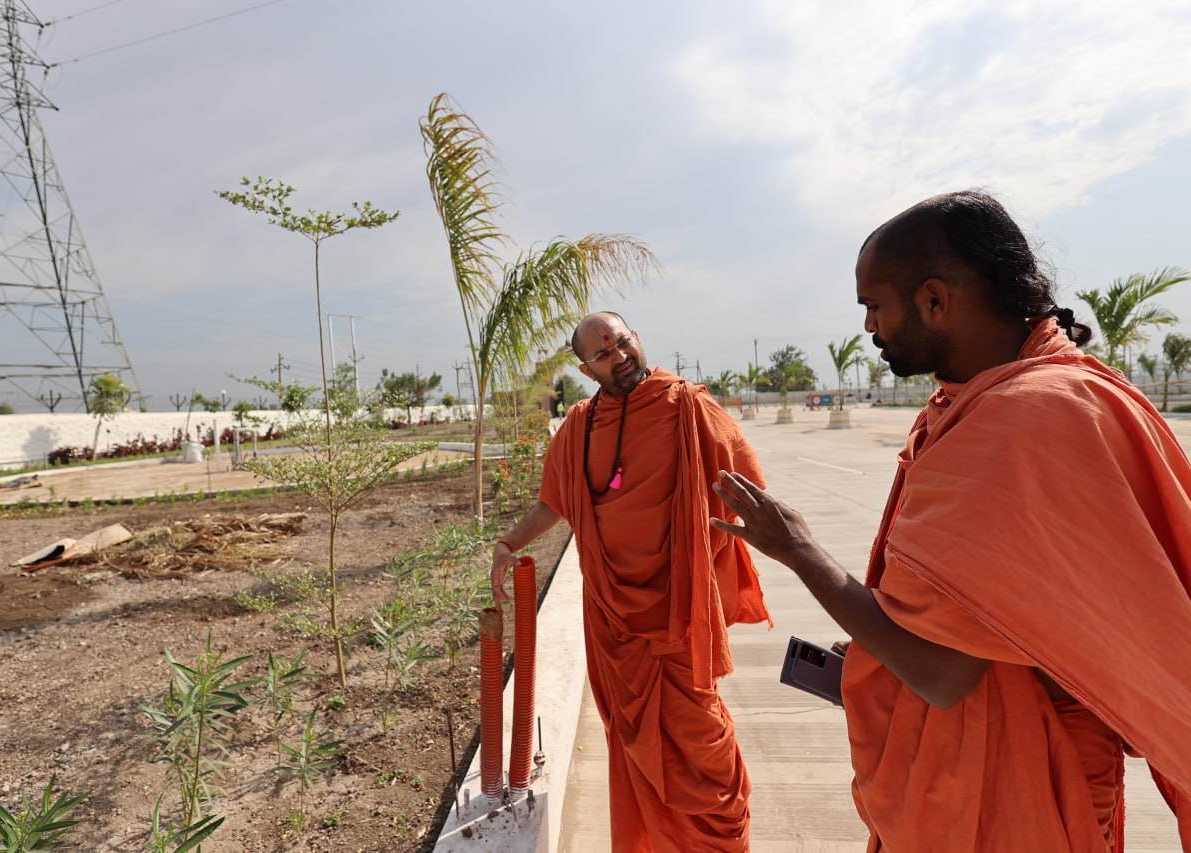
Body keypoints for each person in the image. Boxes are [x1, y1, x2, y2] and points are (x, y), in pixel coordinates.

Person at [714, 190, 1191, 852]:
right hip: (981, 766)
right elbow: (984, 612)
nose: (869, 328)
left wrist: (797, 549)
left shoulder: (1020, 420)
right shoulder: (1006, 398)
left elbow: (941, 673)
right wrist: (885, 638)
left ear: (936, 301)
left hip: (1012, 790)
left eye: (874, 306)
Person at [492, 310, 771, 852]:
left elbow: (750, 492)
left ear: (637, 338)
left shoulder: (690, 407)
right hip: (615, 622)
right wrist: (508, 543)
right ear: (585, 368)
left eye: (621, 342)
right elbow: (555, 503)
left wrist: (730, 554)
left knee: (703, 747)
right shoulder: (578, 428)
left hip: (678, 614)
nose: (618, 355)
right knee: (636, 749)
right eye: (603, 353)